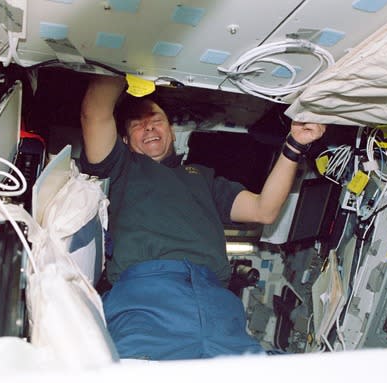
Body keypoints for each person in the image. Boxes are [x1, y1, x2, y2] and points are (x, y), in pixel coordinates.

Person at [78, 74, 326, 360]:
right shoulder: (121, 168)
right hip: (145, 298)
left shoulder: (203, 178)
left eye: (156, 119)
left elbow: (264, 209)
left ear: (171, 132)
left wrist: (295, 144)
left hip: (216, 301)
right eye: (136, 124)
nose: (148, 126)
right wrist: (131, 61)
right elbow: (94, 112)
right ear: (124, 139)